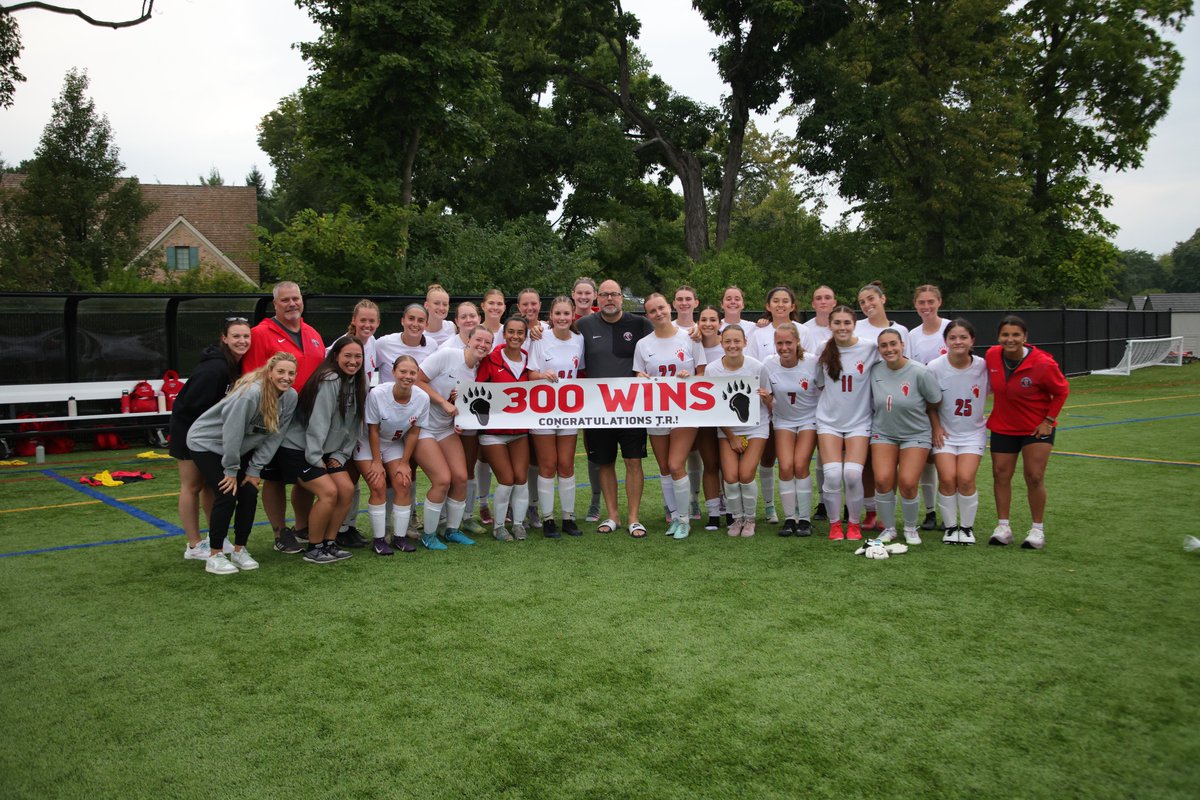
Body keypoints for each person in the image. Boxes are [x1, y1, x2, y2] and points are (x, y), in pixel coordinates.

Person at [186, 352, 298, 575]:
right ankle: (215, 555)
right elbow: (232, 432)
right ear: (269, 372)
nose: (286, 377)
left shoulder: (290, 397)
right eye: (281, 371)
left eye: (291, 373)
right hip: (207, 443)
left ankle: (239, 550)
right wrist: (230, 469)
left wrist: (255, 469)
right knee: (227, 493)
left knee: (249, 491)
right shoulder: (251, 393)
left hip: (239, 447)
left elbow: (275, 436)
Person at [242, 281, 326, 555]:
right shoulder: (260, 333)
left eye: (296, 299)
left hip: (307, 419)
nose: (292, 304)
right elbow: (251, 377)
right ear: (275, 304)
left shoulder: (312, 333)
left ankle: (302, 526)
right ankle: (280, 532)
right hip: (274, 417)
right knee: (274, 476)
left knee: (307, 471)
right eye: (285, 300)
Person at [278, 337, 366, 564]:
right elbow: (319, 421)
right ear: (335, 356)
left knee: (346, 489)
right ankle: (314, 547)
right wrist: (316, 459)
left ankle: (329, 542)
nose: (353, 361)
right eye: (347, 356)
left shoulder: (358, 380)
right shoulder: (330, 379)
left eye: (358, 356)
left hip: (327, 451)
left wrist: (341, 455)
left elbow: (353, 424)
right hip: (300, 449)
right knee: (329, 493)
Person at [986, 315, 1069, 550]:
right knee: (1000, 475)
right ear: (998, 337)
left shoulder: (1043, 363)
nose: (1010, 339)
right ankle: (1003, 528)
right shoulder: (992, 355)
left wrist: (1048, 420)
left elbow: (1062, 391)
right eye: (1005, 334)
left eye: (1016, 335)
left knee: (1034, 476)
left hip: (1035, 428)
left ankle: (1037, 529)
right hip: (1003, 426)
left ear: (1025, 337)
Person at [171, 316, 251, 561]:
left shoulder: (235, 365)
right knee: (192, 485)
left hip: (211, 436)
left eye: (246, 336)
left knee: (210, 485)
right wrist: (200, 437)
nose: (242, 341)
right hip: (189, 431)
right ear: (224, 339)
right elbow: (191, 406)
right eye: (236, 336)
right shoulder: (214, 368)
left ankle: (216, 536)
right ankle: (194, 545)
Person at [578, 279, 654, 537]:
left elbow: (666, 337)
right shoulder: (584, 325)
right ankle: (613, 516)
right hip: (597, 408)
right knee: (605, 462)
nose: (609, 299)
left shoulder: (640, 324)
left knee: (633, 460)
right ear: (597, 299)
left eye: (614, 294)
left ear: (622, 298)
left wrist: (695, 332)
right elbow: (556, 334)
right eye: (604, 294)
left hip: (633, 407)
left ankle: (634, 518)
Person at [634, 292, 707, 540]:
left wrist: (691, 379)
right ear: (647, 315)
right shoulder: (643, 344)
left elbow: (703, 374)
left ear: (669, 307)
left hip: (686, 410)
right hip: (656, 411)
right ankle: (674, 516)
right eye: (652, 311)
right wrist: (640, 377)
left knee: (676, 464)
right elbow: (638, 376)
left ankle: (685, 519)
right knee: (665, 467)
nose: (658, 313)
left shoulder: (690, 338)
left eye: (661, 308)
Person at [414, 327, 496, 546]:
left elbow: (464, 405)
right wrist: (442, 402)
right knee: (442, 480)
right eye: (479, 339)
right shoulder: (447, 355)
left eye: (488, 342)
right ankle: (429, 535)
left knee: (461, 478)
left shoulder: (478, 371)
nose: (482, 345)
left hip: (446, 428)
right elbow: (417, 381)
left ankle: (452, 529)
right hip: (423, 427)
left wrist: (459, 419)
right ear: (468, 340)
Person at [475, 315, 555, 541]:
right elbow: (477, 390)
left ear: (525, 336)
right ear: (504, 333)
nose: (515, 336)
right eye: (511, 332)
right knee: (507, 478)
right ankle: (499, 526)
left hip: (519, 431)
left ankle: (518, 524)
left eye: (520, 333)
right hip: (493, 433)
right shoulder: (490, 359)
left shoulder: (528, 360)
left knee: (521, 478)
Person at [869, 329, 943, 546]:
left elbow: (935, 401)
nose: (889, 349)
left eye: (893, 344)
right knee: (882, 480)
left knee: (908, 483)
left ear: (902, 345)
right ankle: (889, 528)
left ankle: (910, 528)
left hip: (915, 433)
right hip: (883, 432)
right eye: (884, 345)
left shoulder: (920, 372)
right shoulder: (875, 370)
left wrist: (936, 427)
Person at [815, 305, 880, 541]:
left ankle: (853, 524)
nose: (842, 327)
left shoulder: (870, 348)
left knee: (853, 475)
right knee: (832, 475)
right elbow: (819, 383)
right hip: (829, 421)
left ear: (854, 324)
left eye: (846, 323)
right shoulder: (822, 349)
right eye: (837, 323)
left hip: (859, 421)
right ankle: (835, 525)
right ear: (830, 325)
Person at [704, 324, 772, 537]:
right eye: (728, 341)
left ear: (745, 342)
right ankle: (737, 518)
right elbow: (714, 408)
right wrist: (731, 436)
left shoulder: (758, 367)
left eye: (737, 341)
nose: (732, 345)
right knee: (731, 477)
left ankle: (750, 519)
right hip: (728, 430)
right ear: (721, 342)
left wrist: (767, 398)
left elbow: (771, 403)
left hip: (756, 426)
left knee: (746, 474)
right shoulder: (712, 369)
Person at [325, 299, 382, 549]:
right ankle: (336, 529)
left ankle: (347, 526)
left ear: (378, 323)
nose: (367, 325)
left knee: (353, 475)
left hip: (358, 417)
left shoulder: (373, 344)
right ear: (354, 320)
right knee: (344, 475)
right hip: (340, 420)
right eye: (363, 320)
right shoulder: (340, 346)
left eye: (372, 321)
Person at [527, 297, 586, 537]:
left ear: (572, 315)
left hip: (569, 410)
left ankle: (568, 517)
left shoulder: (579, 340)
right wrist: (542, 376)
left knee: (566, 464)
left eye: (566, 313)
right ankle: (548, 518)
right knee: (548, 464)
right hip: (542, 409)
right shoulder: (540, 338)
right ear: (550, 316)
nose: (562, 318)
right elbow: (530, 374)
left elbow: (580, 372)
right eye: (558, 313)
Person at [927, 318, 989, 545]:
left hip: (973, 433)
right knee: (947, 479)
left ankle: (967, 528)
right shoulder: (935, 367)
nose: (958, 342)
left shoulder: (983, 366)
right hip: (945, 434)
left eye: (963, 337)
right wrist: (936, 427)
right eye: (952, 338)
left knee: (965, 478)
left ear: (972, 340)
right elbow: (930, 404)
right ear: (945, 341)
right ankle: (951, 527)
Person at [361, 356, 431, 554]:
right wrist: (377, 461)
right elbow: (373, 430)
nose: (407, 376)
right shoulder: (378, 393)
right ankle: (379, 539)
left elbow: (414, 432)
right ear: (393, 372)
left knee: (403, 482)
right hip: (367, 443)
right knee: (378, 484)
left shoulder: (422, 397)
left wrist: (404, 462)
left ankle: (399, 537)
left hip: (392, 442)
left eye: (412, 373)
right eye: (403, 371)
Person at [854, 280, 908, 531]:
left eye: (871, 299)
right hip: (863, 401)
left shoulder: (902, 330)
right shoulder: (858, 328)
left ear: (883, 299)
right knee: (865, 461)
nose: (867, 305)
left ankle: (888, 512)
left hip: (893, 403)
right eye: (862, 302)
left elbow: (908, 365)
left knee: (890, 463)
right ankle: (871, 510)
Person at [763, 322, 821, 537]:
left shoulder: (813, 362)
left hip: (809, 419)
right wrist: (767, 400)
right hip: (783, 420)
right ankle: (789, 518)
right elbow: (769, 399)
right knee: (786, 467)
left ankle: (804, 519)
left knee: (800, 464)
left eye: (788, 342)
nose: (784, 347)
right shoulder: (768, 364)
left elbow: (825, 390)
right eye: (779, 343)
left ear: (797, 342)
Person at [908, 284, 952, 531]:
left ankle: (950, 514)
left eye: (930, 302)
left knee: (947, 459)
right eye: (921, 302)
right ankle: (931, 511)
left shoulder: (951, 328)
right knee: (927, 459)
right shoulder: (912, 335)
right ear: (915, 305)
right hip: (923, 405)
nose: (926, 307)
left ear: (939, 302)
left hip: (949, 405)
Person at [696, 305, 725, 530]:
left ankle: (732, 510)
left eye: (712, 319)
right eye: (703, 319)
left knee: (729, 466)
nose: (708, 324)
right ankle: (713, 513)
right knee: (711, 464)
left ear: (720, 323)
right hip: (704, 416)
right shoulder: (692, 344)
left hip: (728, 415)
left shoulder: (729, 344)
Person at [376, 303, 438, 382]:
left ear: (426, 324)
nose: (415, 324)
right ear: (402, 321)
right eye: (411, 319)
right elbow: (367, 368)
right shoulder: (384, 343)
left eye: (420, 320)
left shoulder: (432, 346)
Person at [424, 284, 458, 348]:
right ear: (426, 305)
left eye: (445, 304)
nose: (441, 308)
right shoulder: (419, 331)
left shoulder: (451, 327)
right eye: (436, 303)